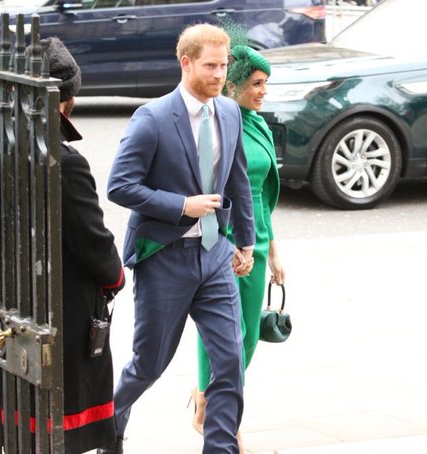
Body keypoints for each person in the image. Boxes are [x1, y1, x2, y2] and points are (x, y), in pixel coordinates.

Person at [100, 23, 256, 454]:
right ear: (185, 62)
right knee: (148, 365)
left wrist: (245, 240)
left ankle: (220, 448)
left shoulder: (228, 112)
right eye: (210, 65)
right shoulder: (151, 118)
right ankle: (106, 426)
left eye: (224, 66)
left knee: (229, 362)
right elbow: (119, 186)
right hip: (164, 257)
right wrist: (181, 205)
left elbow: (238, 181)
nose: (219, 75)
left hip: (214, 254)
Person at [190, 44, 285, 444]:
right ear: (233, 85)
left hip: (257, 242)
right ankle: (211, 406)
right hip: (229, 242)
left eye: (265, 84)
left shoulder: (257, 122)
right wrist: (226, 245)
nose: (263, 91)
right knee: (224, 330)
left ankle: (214, 403)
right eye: (256, 84)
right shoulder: (222, 125)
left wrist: (274, 248)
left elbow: (260, 193)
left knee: (246, 336)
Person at [39, 37, 126, 453]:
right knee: (62, 409)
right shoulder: (64, 160)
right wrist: (115, 278)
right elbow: (94, 242)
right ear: (67, 99)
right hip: (62, 303)